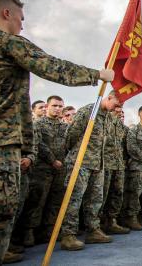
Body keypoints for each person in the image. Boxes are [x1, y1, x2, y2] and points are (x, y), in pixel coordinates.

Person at [0, 0, 113, 264]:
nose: (22, 23)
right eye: (20, 17)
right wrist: (97, 75)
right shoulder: (7, 43)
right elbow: (52, 67)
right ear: (6, 13)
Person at [60, 91, 120, 250]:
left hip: (98, 163)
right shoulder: (88, 111)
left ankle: (93, 230)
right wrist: (76, 154)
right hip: (81, 162)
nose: (117, 108)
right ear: (108, 98)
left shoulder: (107, 116)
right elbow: (70, 135)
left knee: (95, 200)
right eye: (116, 103)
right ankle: (68, 235)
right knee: (74, 199)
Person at [21, 95, 68, 246]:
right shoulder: (38, 124)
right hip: (42, 169)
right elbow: (39, 144)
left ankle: (49, 231)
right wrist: (52, 160)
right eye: (55, 105)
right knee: (37, 201)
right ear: (47, 107)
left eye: (60, 106)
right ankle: (29, 232)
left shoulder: (64, 126)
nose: (58, 108)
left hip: (60, 170)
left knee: (55, 201)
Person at [100, 105, 130, 235]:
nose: (119, 110)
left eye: (121, 108)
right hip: (105, 163)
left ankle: (112, 222)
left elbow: (125, 146)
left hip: (119, 164)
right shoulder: (103, 121)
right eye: (117, 107)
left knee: (118, 193)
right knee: (102, 195)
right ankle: (98, 225)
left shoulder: (122, 126)